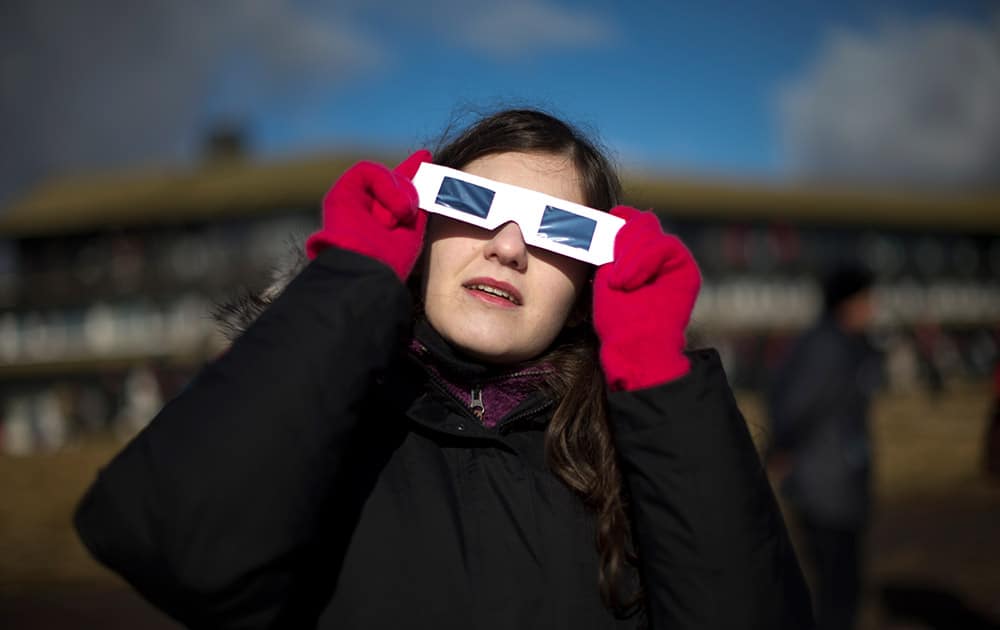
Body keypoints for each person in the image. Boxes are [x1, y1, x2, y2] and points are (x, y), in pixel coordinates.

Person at [75, 109, 813, 629]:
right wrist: (352, 284)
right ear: (420, 228)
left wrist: (659, 374)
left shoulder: (637, 455)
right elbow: (170, 543)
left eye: (561, 229)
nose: (509, 246)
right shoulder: (317, 416)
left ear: (593, 276)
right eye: (473, 203)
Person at [767, 263, 882, 630]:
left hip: (839, 482)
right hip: (825, 485)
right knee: (837, 590)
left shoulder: (843, 345)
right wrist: (779, 449)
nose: (872, 309)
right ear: (847, 304)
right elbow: (795, 407)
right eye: (866, 300)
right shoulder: (827, 349)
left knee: (842, 587)